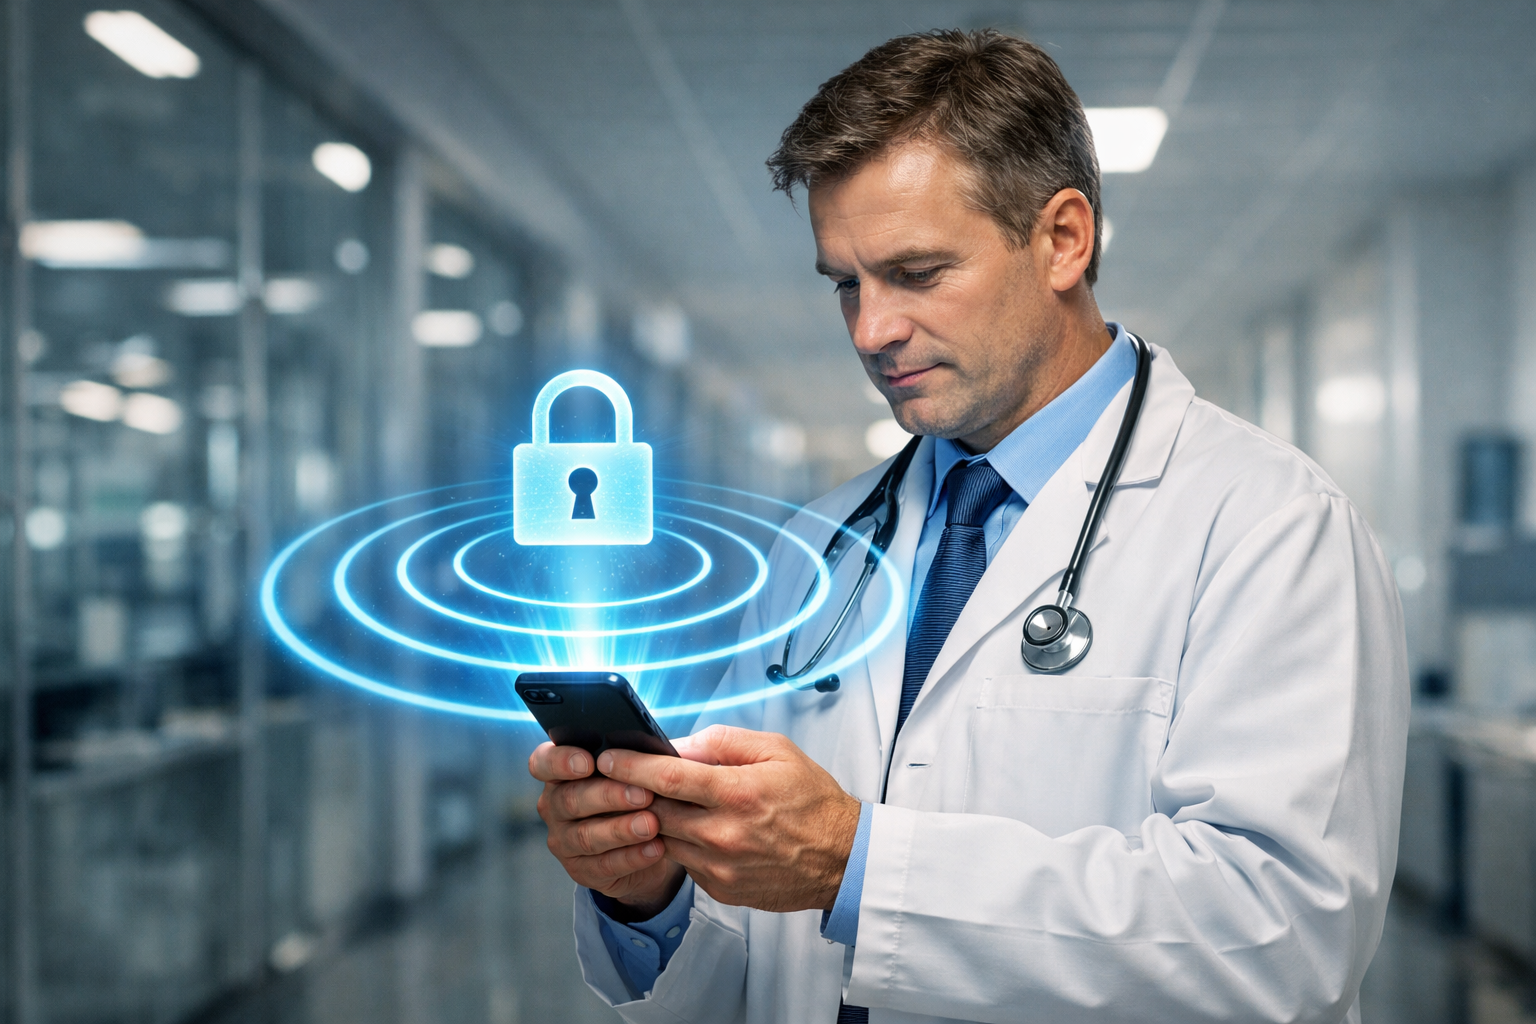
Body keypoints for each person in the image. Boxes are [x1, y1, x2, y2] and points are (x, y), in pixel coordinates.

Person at [529, 28, 1408, 1024]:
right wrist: (647, 893)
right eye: (845, 284)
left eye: (915, 273)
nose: (871, 331)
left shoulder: (1269, 527)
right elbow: (759, 969)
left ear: (1064, 240)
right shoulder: (819, 547)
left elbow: (1282, 939)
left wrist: (857, 863)